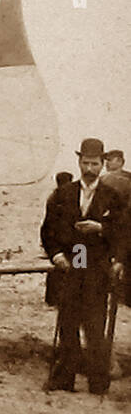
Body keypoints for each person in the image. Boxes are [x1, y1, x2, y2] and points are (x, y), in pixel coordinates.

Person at [41, 138, 128, 394]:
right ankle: (64, 379)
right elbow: (48, 230)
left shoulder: (112, 196)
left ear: (103, 164)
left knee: (94, 324)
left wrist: (102, 230)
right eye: (85, 163)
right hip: (71, 261)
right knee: (68, 321)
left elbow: (124, 232)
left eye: (94, 163)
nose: (89, 169)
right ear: (78, 162)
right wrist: (56, 255)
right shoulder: (64, 193)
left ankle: (98, 382)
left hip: (96, 264)